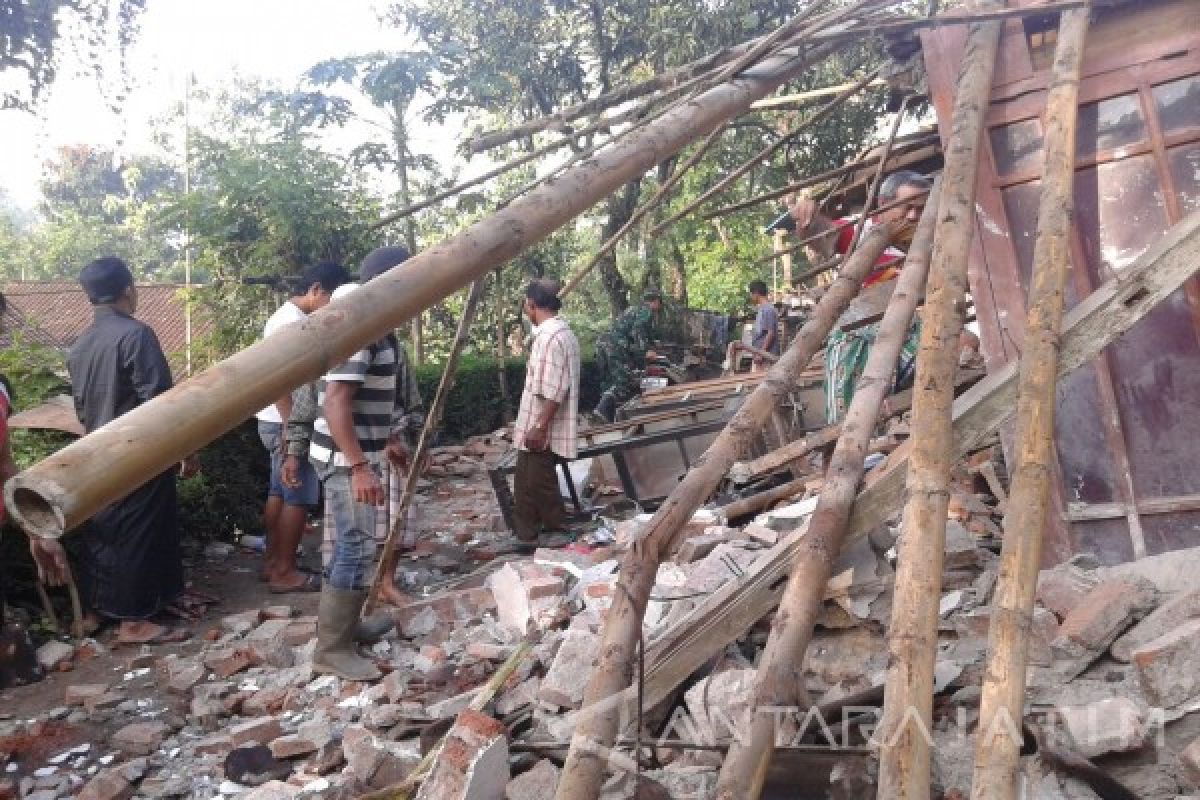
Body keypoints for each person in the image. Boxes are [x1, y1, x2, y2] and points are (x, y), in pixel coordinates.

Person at [303, 246, 424, 680]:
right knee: (354, 544)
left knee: (356, 542)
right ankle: (331, 649)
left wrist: (386, 438)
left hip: (355, 452)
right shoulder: (362, 325)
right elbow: (336, 400)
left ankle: (348, 628)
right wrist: (358, 466)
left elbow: (367, 393)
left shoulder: (374, 322)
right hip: (342, 458)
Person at [66, 257, 200, 645]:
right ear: (129, 289)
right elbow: (160, 403)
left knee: (104, 531)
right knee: (138, 532)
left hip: (95, 452)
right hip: (138, 453)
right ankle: (134, 621)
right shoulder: (136, 335)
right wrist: (186, 450)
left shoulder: (80, 345)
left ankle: (97, 611)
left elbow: (79, 408)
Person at [787, 170, 931, 423]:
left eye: (921, 208)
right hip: (863, 332)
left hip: (912, 330)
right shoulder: (862, 229)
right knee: (852, 408)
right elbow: (823, 235)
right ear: (883, 205)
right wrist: (807, 219)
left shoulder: (930, 236)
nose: (913, 216)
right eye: (907, 207)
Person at [255, 261, 349, 594]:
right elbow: (280, 382)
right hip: (285, 420)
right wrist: (291, 429)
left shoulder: (286, 318)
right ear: (316, 291)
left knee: (279, 492)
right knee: (298, 494)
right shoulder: (292, 325)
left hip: (274, 420)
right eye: (332, 299)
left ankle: (273, 562)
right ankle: (285, 571)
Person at [513, 279, 580, 553]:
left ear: (531, 304)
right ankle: (526, 535)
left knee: (538, 481)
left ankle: (556, 530)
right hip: (539, 420)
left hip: (542, 423)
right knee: (526, 479)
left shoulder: (550, 337)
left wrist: (540, 426)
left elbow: (554, 390)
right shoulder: (562, 334)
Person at [593, 289, 662, 423]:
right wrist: (645, 352)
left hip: (603, 343)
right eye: (660, 303)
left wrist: (652, 344)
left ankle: (607, 417)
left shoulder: (633, 309)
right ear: (655, 301)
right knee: (623, 381)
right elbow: (638, 330)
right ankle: (603, 410)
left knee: (609, 381)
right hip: (615, 347)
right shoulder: (646, 312)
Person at [748, 280, 779, 369]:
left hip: (766, 357)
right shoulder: (762, 308)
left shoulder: (768, 309)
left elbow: (770, 333)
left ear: (756, 293)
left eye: (751, 293)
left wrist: (762, 353)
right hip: (761, 355)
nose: (751, 296)